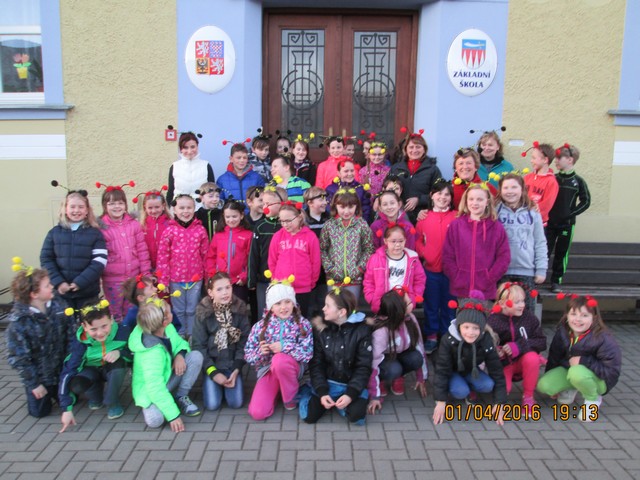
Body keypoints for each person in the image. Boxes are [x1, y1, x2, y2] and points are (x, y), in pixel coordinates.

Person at [537, 294, 621, 421]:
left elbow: (611, 371)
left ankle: (593, 399)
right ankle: (572, 386)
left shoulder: (603, 338)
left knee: (576, 373)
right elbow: (554, 357)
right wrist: (554, 382)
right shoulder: (562, 332)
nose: (577, 319)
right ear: (567, 315)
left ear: (594, 318)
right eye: (573, 314)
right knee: (544, 385)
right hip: (572, 371)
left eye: (584, 315)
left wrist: (583, 361)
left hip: (601, 380)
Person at [6, 262, 73, 418]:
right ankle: (41, 391)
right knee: (40, 412)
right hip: (40, 377)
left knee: (71, 400)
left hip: (61, 371)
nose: (52, 287)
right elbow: (19, 358)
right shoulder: (19, 322)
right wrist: (34, 384)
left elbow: (71, 333)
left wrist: (71, 365)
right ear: (34, 294)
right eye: (47, 286)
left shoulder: (59, 305)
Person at [299, 288, 372, 425]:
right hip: (327, 383)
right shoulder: (321, 329)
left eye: (328, 306)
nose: (323, 308)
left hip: (349, 384)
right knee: (309, 416)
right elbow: (316, 364)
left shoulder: (362, 331)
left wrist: (350, 394)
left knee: (357, 417)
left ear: (341, 312)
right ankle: (310, 392)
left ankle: (343, 402)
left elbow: (363, 367)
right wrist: (322, 392)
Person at [129, 301, 204, 431]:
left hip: (167, 376)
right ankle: (158, 402)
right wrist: (173, 416)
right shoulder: (152, 352)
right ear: (164, 321)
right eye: (170, 312)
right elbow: (154, 386)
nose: (172, 313)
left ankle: (180, 396)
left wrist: (180, 355)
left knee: (195, 356)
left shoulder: (167, 328)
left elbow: (180, 343)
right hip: (151, 390)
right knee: (155, 421)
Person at [432, 296, 507, 426]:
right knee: (460, 391)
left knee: (488, 385)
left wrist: (499, 403)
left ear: (482, 328)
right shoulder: (448, 340)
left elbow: (497, 372)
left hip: (470, 369)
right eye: (466, 327)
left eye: (475, 328)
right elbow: (442, 371)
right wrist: (440, 401)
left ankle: (469, 387)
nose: (470, 332)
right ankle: (456, 388)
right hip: (451, 371)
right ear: (459, 326)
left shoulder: (486, 340)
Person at [59, 299, 131, 431]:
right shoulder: (81, 343)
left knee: (119, 365)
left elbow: (136, 353)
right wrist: (66, 409)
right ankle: (95, 395)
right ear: (84, 326)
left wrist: (120, 353)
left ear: (111, 320)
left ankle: (112, 402)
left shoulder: (123, 332)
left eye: (104, 326)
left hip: (110, 368)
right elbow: (68, 372)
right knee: (76, 384)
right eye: (93, 329)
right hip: (90, 371)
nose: (100, 333)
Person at [244, 283, 313, 420]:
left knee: (279, 360)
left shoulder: (303, 324)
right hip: (268, 370)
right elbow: (248, 354)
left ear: (293, 303)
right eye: (278, 303)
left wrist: (284, 347)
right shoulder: (259, 327)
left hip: (293, 369)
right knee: (258, 413)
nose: (283, 307)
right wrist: (260, 353)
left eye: (287, 301)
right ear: (270, 307)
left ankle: (291, 398)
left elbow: (308, 353)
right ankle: (277, 391)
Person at [40, 186, 107, 311]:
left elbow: (99, 261)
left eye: (81, 207)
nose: (76, 210)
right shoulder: (54, 233)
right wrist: (59, 282)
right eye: (72, 207)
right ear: (65, 209)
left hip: (87, 293)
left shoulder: (95, 234)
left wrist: (80, 282)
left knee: (87, 323)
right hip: (61, 294)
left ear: (87, 210)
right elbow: (46, 259)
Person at [192, 273, 251, 411]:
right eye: (219, 289)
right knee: (213, 405)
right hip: (212, 366)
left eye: (228, 287)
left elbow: (245, 341)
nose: (225, 293)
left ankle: (231, 381)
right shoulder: (203, 313)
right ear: (210, 293)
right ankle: (213, 382)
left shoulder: (240, 310)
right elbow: (198, 346)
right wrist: (213, 373)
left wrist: (237, 368)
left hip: (232, 366)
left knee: (236, 403)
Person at [442, 184, 511, 301]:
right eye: (471, 199)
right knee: (464, 313)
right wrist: (457, 277)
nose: (475, 203)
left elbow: (504, 257)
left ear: (487, 202)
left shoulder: (496, 227)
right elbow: (448, 255)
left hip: (486, 290)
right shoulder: (456, 225)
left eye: (479, 199)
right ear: (466, 201)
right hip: (461, 289)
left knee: (484, 313)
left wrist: (489, 278)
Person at [487, 282, 547, 411]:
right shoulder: (492, 321)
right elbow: (485, 346)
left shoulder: (529, 317)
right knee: (505, 389)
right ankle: (500, 399)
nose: (522, 305)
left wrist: (519, 346)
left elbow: (541, 341)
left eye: (523, 301)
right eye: (517, 302)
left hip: (522, 361)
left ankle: (528, 396)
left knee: (532, 358)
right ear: (502, 304)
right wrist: (497, 351)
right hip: (504, 364)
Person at [367, 290, 427, 414]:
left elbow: (419, 346)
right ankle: (381, 380)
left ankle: (398, 377)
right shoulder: (381, 331)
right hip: (384, 360)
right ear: (399, 309)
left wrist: (421, 378)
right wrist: (374, 395)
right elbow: (373, 364)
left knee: (416, 358)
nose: (412, 303)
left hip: (401, 353)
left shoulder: (411, 319)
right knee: (394, 369)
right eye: (408, 303)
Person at [157, 194, 209, 337]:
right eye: (182, 208)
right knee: (179, 310)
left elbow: (206, 255)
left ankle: (192, 335)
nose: (185, 211)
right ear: (174, 210)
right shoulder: (169, 231)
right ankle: (180, 336)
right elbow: (163, 257)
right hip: (176, 279)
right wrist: (163, 280)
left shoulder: (200, 230)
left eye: (189, 208)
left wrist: (208, 277)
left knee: (193, 309)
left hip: (195, 278)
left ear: (194, 209)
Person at [415, 180, 457, 354]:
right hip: (430, 270)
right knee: (431, 305)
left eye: (447, 194)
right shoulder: (424, 218)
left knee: (449, 305)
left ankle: (447, 335)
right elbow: (417, 240)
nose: (443, 197)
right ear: (432, 196)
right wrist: (424, 252)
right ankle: (431, 336)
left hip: (451, 271)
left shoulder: (457, 217)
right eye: (439, 193)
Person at [99, 184, 151, 322]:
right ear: (105, 206)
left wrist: (145, 273)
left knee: (132, 310)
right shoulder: (101, 228)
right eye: (112, 204)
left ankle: (130, 333)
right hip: (112, 280)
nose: (117, 207)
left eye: (120, 203)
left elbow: (142, 250)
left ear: (125, 205)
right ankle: (117, 333)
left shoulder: (133, 224)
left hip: (133, 278)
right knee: (114, 312)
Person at [495, 173, 547, 310]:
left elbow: (540, 242)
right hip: (501, 271)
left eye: (514, 187)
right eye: (506, 188)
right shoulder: (494, 212)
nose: (510, 191)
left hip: (526, 271)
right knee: (502, 311)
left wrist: (541, 269)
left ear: (522, 189)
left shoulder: (533, 213)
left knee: (526, 311)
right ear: (500, 190)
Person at [546, 144, 591, 293]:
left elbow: (586, 201)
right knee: (544, 251)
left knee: (561, 253)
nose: (555, 161)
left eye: (559, 158)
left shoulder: (578, 181)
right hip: (549, 223)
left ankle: (556, 281)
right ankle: (538, 278)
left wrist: (571, 214)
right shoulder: (553, 178)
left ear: (570, 160)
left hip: (566, 225)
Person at [320, 190, 375, 300]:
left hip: (354, 279)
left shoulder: (362, 225)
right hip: (333, 278)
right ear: (335, 206)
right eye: (342, 207)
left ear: (356, 206)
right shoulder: (329, 225)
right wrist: (330, 268)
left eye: (350, 207)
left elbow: (369, 249)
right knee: (334, 306)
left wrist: (359, 268)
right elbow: (322, 249)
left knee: (351, 307)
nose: (346, 211)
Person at [268, 202, 321, 316]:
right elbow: (272, 260)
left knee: (300, 318)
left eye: (288, 220)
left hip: (303, 288)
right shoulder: (277, 236)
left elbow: (315, 262)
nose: (285, 224)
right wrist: (276, 280)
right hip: (283, 288)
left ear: (299, 217)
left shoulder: (310, 236)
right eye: (282, 221)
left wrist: (311, 281)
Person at [363, 225, 425, 314]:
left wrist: (413, 299)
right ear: (385, 241)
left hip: (403, 304)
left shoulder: (413, 259)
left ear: (405, 240)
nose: (398, 245)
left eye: (401, 241)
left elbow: (419, 280)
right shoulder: (375, 259)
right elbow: (368, 281)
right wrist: (372, 299)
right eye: (393, 241)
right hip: (382, 304)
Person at [247, 187, 288, 319]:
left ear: (281, 204)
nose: (264, 207)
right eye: (263, 203)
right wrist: (251, 279)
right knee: (264, 314)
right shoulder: (260, 226)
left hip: (284, 280)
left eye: (268, 204)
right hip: (263, 280)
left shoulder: (287, 225)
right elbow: (253, 255)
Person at [389, 131, 442, 223]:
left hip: (422, 216)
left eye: (418, 147)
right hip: (398, 215)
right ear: (405, 149)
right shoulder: (396, 168)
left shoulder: (433, 170)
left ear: (424, 149)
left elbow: (439, 193)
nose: (414, 150)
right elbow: (387, 188)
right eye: (411, 147)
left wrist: (419, 200)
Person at [205, 199, 252, 303]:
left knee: (239, 308)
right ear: (224, 217)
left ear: (241, 216)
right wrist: (212, 273)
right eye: (228, 217)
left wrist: (245, 275)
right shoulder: (218, 235)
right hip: (220, 281)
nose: (231, 220)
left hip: (238, 282)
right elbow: (211, 256)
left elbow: (251, 259)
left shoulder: (248, 235)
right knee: (221, 308)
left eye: (234, 216)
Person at [302, 187, 331, 317]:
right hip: (308, 267)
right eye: (321, 199)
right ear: (310, 202)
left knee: (323, 301)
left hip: (325, 268)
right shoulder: (303, 220)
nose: (325, 202)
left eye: (325, 199)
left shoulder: (329, 219)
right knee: (309, 304)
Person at [166, 132, 215, 207]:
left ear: (197, 146)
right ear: (181, 149)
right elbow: (170, 192)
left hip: (201, 209)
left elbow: (212, 191)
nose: (189, 151)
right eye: (185, 147)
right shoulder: (174, 166)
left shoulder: (206, 166)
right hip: (180, 209)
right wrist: (169, 209)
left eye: (192, 147)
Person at [217, 142, 266, 208]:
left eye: (244, 158)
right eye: (238, 158)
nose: (242, 160)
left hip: (251, 214)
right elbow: (220, 203)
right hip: (232, 214)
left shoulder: (257, 178)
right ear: (231, 159)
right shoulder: (222, 180)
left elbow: (262, 199)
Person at [523, 142, 559, 226]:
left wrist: (531, 214)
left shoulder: (551, 182)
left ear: (545, 160)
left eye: (534, 158)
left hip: (538, 223)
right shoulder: (527, 178)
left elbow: (546, 205)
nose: (531, 160)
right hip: (523, 221)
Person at [325, 158, 372, 222]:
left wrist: (362, 223)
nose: (350, 174)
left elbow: (366, 209)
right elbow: (328, 209)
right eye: (346, 171)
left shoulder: (361, 189)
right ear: (338, 173)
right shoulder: (331, 189)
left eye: (352, 171)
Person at [137, 187, 172, 270]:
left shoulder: (170, 225)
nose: (154, 211)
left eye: (157, 207)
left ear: (163, 206)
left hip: (167, 266)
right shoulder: (142, 226)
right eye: (150, 208)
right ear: (145, 208)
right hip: (148, 267)